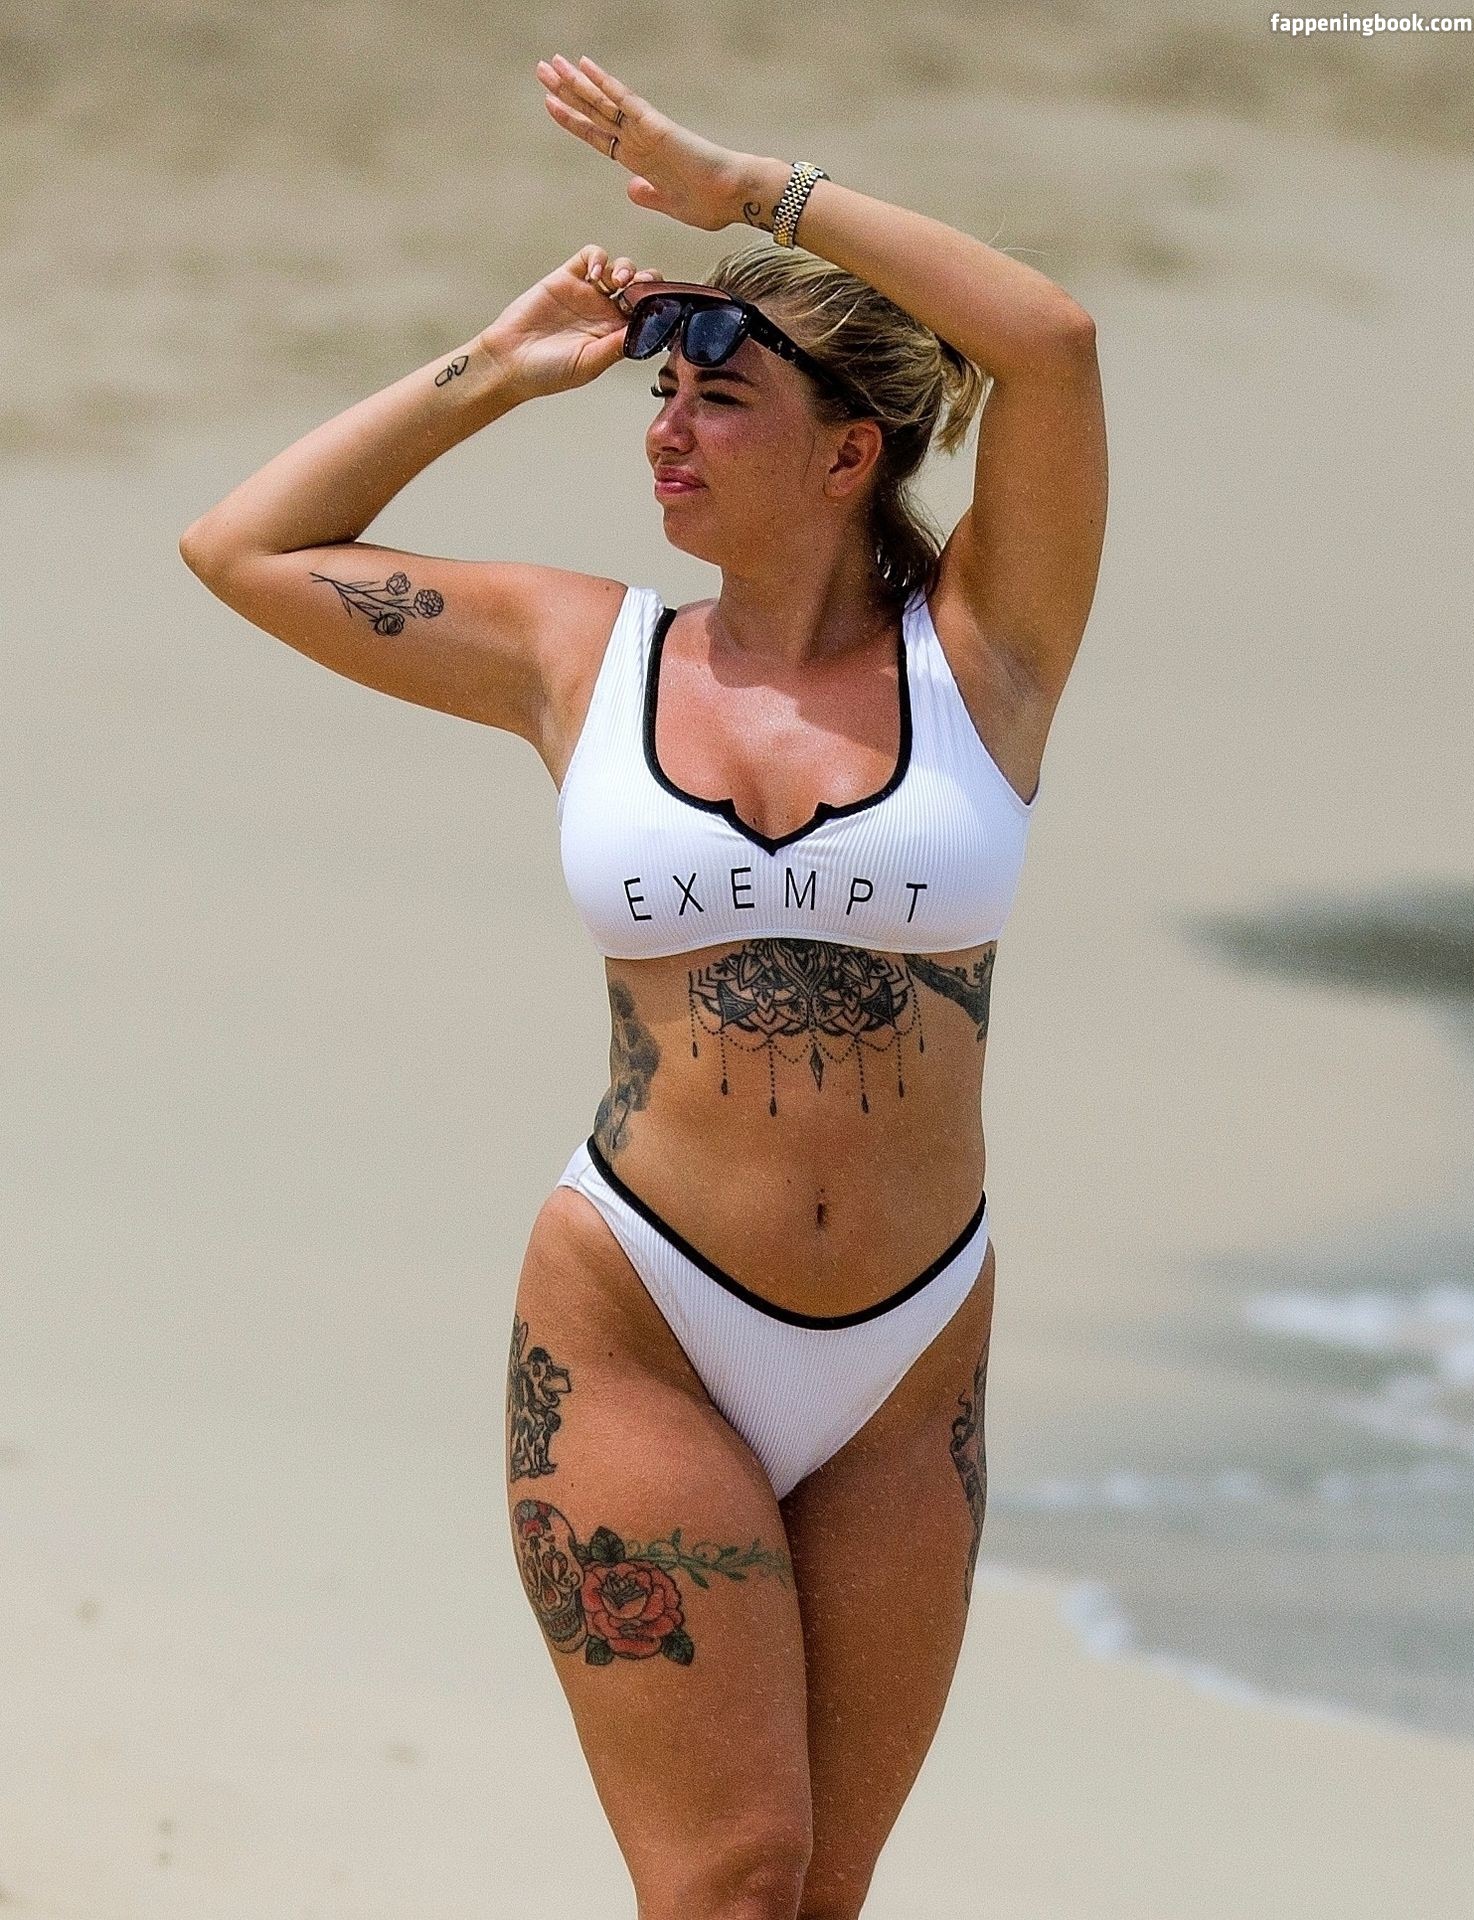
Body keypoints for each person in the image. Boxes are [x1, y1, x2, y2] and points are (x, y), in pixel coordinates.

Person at [179, 49, 1107, 1920]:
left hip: (909, 1349)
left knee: (818, 1898)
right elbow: (243, 545)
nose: (663, 431)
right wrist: (500, 364)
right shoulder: (574, 651)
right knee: (730, 1882)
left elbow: (1052, 342)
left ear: (850, 452)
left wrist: (747, 189)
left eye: (717, 398)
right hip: (641, 1320)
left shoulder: (986, 653)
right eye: (657, 395)